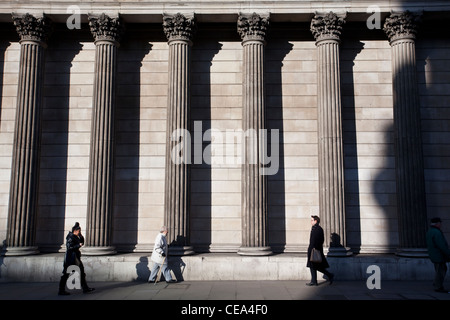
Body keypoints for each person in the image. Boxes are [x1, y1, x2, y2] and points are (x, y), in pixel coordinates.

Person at [58, 222, 95, 295]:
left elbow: (82, 242)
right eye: (79, 231)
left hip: (75, 257)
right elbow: (69, 247)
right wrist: (78, 245)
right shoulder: (70, 237)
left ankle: (85, 288)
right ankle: (61, 290)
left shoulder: (76, 236)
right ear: (75, 231)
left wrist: (81, 236)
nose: (79, 232)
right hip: (70, 258)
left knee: (81, 272)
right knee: (66, 273)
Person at [306, 215, 334, 286]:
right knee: (313, 266)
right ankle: (314, 280)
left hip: (315, 251)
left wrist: (314, 248)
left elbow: (319, 240)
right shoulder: (314, 228)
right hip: (313, 250)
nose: (311, 222)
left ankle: (329, 275)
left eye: (312, 220)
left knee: (316, 266)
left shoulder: (318, 229)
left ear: (316, 221)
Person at [426, 217, 450, 293]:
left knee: (440, 270)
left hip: (434, 254)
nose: (441, 225)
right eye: (440, 223)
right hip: (438, 255)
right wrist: (448, 253)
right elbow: (442, 245)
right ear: (437, 224)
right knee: (441, 271)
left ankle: (437, 283)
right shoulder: (437, 232)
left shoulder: (430, 231)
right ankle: (438, 286)